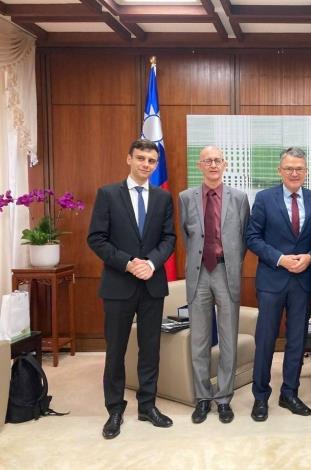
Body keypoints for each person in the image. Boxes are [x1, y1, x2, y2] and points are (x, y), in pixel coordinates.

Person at [87, 138, 176, 440]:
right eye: (140, 158)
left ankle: (147, 405)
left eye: (151, 161)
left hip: (152, 284)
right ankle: (114, 409)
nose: (146, 165)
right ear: (129, 159)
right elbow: (97, 239)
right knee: (116, 350)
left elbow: (169, 239)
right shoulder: (108, 194)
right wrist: (128, 263)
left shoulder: (163, 198)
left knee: (150, 349)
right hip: (118, 284)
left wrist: (150, 263)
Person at [246, 147, 311, 422]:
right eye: (289, 168)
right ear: (280, 170)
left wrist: (310, 257)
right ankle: (260, 396)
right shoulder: (264, 198)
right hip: (272, 279)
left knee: (297, 341)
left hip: (303, 281)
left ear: (306, 171)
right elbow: (252, 237)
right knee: (265, 340)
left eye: (299, 168)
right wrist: (280, 259)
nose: (294, 173)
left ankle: (290, 393)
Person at [179, 146, 250, 424]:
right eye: (207, 161)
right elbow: (187, 236)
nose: (213, 165)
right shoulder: (186, 197)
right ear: (199, 165)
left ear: (225, 164)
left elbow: (243, 239)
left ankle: (223, 398)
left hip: (225, 272)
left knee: (229, 338)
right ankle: (202, 398)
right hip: (198, 274)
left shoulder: (240, 198)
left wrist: (229, 262)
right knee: (199, 339)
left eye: (217, 160)